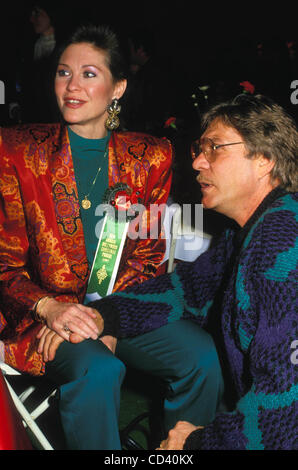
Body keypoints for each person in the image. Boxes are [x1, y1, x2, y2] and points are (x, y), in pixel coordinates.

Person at [0, 24, 223, 450]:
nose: (71, 86)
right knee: (98, 370)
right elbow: (4, 265)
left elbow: (149, 256)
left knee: (201, 358)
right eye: (63, 72)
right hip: (39, 315)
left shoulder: (150, 156)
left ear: (117, 87)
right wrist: (51, 309)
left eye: (89, 74)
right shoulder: (16, 151)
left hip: (120, 305)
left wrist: (106, 317)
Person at [86, 94, 298, 450]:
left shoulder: (283, 241)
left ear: (264, 160)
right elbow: (186, 291)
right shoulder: (249, 232)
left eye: (214, 148)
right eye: (199, 149)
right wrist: (104, 315)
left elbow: (287, 410)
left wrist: (198, 444)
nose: (198, 162)